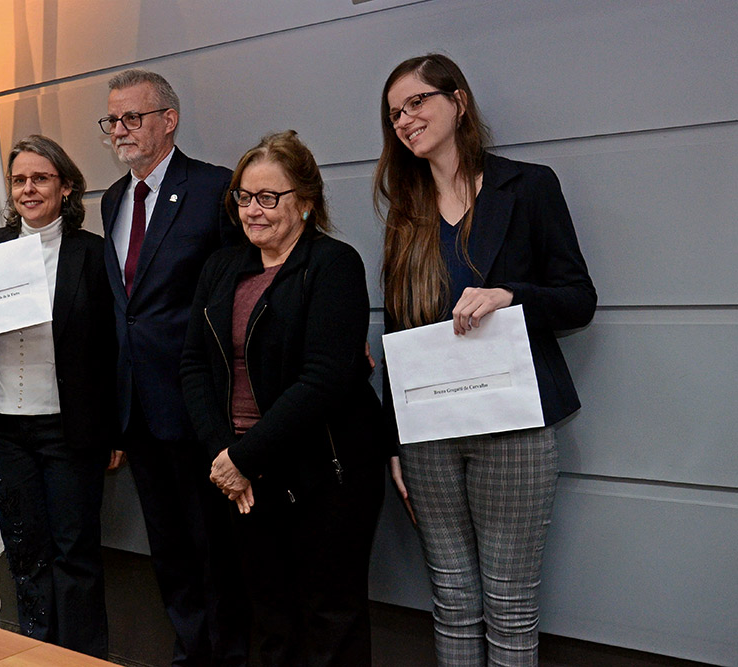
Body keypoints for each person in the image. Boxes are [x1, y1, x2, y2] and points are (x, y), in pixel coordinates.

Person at [376, 54, 597, 665]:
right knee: (451, 603)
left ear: (459, 101)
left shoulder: (528, 186)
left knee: (510, 606)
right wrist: (394, 440)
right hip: (430, 432)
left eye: (417, 101)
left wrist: (511, 295)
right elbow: (397, 329)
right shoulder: (405, 210)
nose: (405, 119)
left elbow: (580, 299)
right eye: (395, 113)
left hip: (514, 424)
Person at [182, 130, 387, 667]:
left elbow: (324, 379)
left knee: (329, 620)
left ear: (306, 202)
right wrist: (223, 455)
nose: (253, 210)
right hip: (244, 477)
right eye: (245, 197)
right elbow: (194, 367)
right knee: (269, 618)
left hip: (325, 472)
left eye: (269, 198)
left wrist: (244, 459)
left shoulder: (333, 265)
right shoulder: (222, 268)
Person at [0, 135, 118, 657]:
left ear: (65, 187)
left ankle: (81, 657)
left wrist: (114, 430)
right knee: (26, 552)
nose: (29, 189)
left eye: (41, 178)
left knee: (75, 554)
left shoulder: (93, 254)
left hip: (70, 430)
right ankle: (37, 653)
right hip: (4, 429)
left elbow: (112, 352)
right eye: (19, 180)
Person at [98, 69, 249, 666]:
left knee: (215, 547)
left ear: (169, 120)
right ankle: (191, 652)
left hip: (198, 408)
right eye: (111, 120)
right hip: (137, 408)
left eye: (132, 118)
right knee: (168, 550)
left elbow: (243, 288)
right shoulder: (113, 198)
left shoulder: (215, 188)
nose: (119, 130)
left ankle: (229, 655)